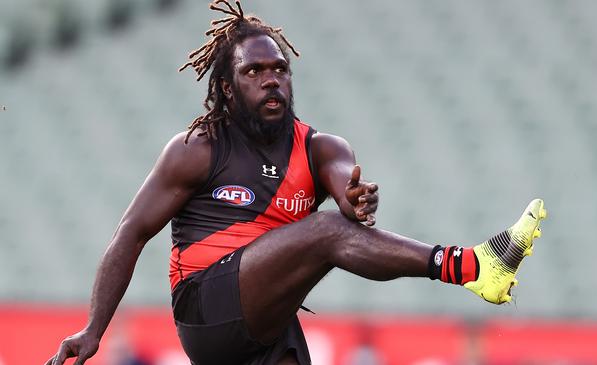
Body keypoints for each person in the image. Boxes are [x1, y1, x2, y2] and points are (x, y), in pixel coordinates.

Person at [46, 1, 547, 364]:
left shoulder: (321, 148)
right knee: (325, 232)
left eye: (280, 69)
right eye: (254, 71)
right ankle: (473, 265)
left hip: (269, 318)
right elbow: (130, 234)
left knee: (331, 229)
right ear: (227, 86)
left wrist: (354, 199)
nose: (271, 79)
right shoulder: (197, 148)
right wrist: (94, 328)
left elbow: (347, 197)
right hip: (206, 308)